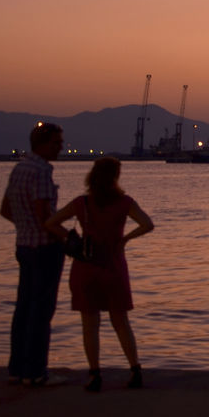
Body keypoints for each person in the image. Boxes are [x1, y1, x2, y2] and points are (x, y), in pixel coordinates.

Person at [46, 156, 154, 392]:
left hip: (86, 267)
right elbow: (147, 224)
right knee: (121, 321)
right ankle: (135, 369)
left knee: (89, 323)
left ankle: (95, 374)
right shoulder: (124, 202)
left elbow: (51, 223)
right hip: (113, 266)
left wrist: (69, 238)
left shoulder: (82, 203)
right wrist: (125, 239)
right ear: (115, 177)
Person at [0, 122, 67, 386]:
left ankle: (17, 368)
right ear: (42, 143)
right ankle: (36, 371)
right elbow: (44, 215)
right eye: (56, 142)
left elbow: (5, 209)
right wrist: (67, 237)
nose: (61, 147)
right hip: (45, 249)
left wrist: (24, 227)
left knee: (23, 308)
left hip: (23, 246)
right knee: (41, 310)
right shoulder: (41, 171)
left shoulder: (19, 169)